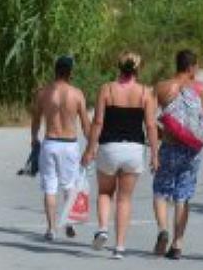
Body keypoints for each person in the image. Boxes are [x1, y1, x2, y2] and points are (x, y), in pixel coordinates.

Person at [81, 52, 160, 260]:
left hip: (109, 147)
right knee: (125, 199)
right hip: (134, 149)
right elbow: (151, 126)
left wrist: (90, 149)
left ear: (118, 67)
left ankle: (103, 228)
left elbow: (97, 122)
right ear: (138, 69)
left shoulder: (106, 89)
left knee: (105, 192)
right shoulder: (146, 92)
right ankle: (120, 247)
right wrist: (155, 154)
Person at [152, 49, 203, 260]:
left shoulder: (162, 87)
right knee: (183, 195)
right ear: (191, 67)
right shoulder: (200, 89)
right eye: (197, 66)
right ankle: (177, 244)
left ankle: (163, 229)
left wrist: (157, 143)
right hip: (192, 151)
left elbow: (149, 120)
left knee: (161, 191)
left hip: (170, 147)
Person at [30, 55, 92, 242]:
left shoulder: (43, 93)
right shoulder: (77, 94)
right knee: (69, 186)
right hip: (70, 144)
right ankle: (69, 222)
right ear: (70, 72)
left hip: (50, 142)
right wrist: (91, 145)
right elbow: (85, 124)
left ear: (55, 70)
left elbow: (35, 119)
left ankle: (51, 229)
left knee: (50, 187)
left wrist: (33, 138)